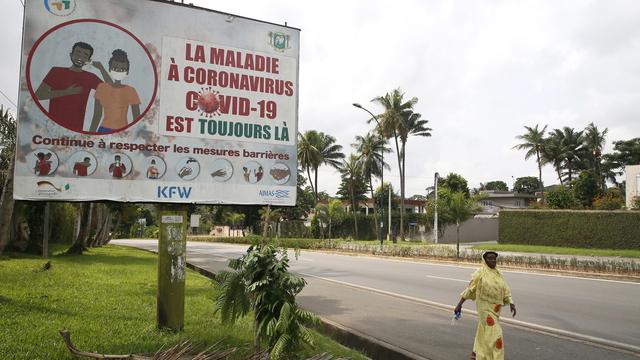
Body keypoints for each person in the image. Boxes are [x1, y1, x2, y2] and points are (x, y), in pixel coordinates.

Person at [35, 42, 110, 132]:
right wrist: (66, 92)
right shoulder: (56, 71)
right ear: (71, 54)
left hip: (75, 132)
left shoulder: (90, 77)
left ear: (88, 60)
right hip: (52, 128)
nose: (80, 57)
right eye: (78, 52)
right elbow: (38, 95)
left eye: (85, 55)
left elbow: (111, 90)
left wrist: (101, 68)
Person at [454, 251, 516, 360]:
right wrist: (459, 305)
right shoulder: (480, 273)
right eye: (490, 259)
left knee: (484, 329)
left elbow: (505, 289)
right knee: (496, 333)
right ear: (485, 260)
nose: (493, 261)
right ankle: (496, 357)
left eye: (494, 259)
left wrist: (511, 302)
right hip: (484, 306)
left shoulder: (498, 273)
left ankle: (477, 352)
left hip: (496, 308)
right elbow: (470, 289)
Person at [90, 49, 141, 133]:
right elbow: (97, 114)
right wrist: (90, 134)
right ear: (110, 69)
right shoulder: (102, 87)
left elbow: (137, 119)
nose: (118, 71)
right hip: (103, 129)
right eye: (115, 68)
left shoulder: (131, 91)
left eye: (122, 69)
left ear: (127, 72)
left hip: (122, 132)